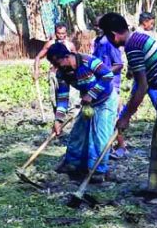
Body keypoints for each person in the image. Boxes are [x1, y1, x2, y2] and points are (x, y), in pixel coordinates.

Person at [99, 12, 157, 205]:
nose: (107, 40)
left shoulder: (133, 46)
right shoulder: (136, 40)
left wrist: (125, 117)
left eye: (107, 36)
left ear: (113, 34)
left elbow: (142, 87)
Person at [46, 43, 117, 183]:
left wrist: (91, 93)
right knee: (78, 133)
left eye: (57, 63)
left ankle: (98, 171)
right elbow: (62, 96)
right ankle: (73, 164)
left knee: (100, 136)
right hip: (88, 104)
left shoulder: (88, 61)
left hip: (105, 101)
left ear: (66, 57)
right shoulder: (62, 73)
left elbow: (108, 75)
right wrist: (58, 120)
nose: (56, 67)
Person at [91, 15, 128, 159]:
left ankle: (122, 146)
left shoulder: (109, 43)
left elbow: (118, 64)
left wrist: (104, 72)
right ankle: (108, 147)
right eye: (95, 26)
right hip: (100, 85)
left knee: (113, 117)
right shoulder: (98, 42)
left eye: (99, 26)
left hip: (112, 85)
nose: (97, 29)